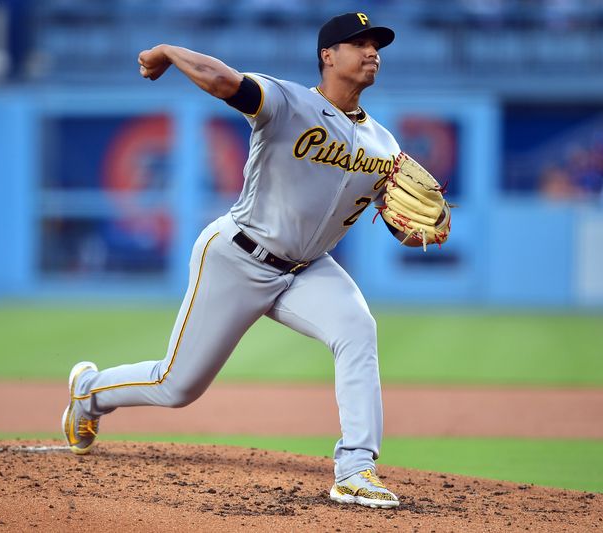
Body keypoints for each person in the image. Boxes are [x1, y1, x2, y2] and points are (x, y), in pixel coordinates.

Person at [63, 12, 421, 509]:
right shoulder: (287, 102)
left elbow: (400, 223)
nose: (372, 52)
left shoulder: (386, 145)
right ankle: (90, 392)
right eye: (358, 43)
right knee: (177, 386)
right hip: (238, 256)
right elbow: (222, 80)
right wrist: (168, 50)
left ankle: (356, 468)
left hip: (308, 270)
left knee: (358, 329)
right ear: (327, 55)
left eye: (376, 45)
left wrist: (412, 229)